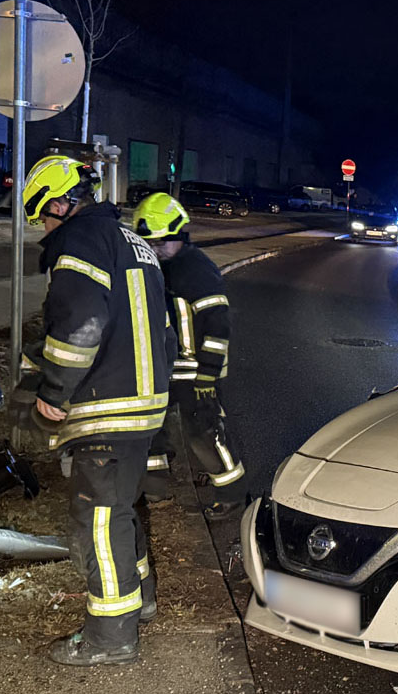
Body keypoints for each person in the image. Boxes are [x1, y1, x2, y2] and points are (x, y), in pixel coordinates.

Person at [22, 154, 170, 666]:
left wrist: (52, 392)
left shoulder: (81, 241)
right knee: (122, 509)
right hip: (142, 403)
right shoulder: (130, 240)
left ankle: (111, 637)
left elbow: (82, 326)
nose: (43, 226)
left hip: (108, 404)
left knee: (100, 519)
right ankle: (141, 600)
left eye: (43, 214)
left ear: (61, 202)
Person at [130, 192, 246, 517]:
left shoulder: (196, 270)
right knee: (151, 427)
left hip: (196, 370)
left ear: (181, 235)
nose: (156, 249)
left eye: (163, 242)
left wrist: (207, 376)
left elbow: (218, 327)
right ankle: (154, 491)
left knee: (204, 431)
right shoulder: (154, 267)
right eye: (149, 243)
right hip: (161, 366)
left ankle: (233, 494)